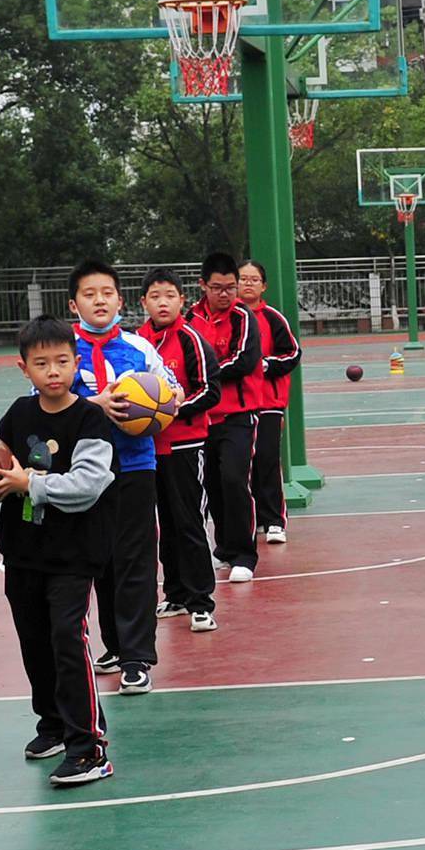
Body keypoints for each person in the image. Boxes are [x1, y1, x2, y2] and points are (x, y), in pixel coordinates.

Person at [0, 317, 119, 786]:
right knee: (35, 643)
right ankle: (55, 725)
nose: (53, 371)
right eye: (41, 363)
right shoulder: (18, 415)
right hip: (23, 550)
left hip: (73, 554)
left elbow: (88, 485)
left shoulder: (90, 419)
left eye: (62, 361)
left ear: (75, 362)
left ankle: (89, 746)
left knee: (68, 639)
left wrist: (31, 483)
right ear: (24, 368)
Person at [68, 261, 165, 693]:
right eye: (89, 294)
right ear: (74, 303)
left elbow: (171, 388)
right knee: (99, 560)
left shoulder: (140, 348)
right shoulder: (62, 351)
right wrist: (94, 406)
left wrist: (167, 399)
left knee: (136, 560)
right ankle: (114, 641)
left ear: (120, 300)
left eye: (107, 292)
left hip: (135, 464)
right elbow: (44, 401)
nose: (99, 300)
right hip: (84, 469)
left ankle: (136, 656)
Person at [138, 273, 223, 633]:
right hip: (144, 448)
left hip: (185, 445)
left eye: (169, 296)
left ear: (181, 300)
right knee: (162, 525)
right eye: (155, 296)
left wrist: (172, 410)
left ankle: (201, 601)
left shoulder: (192, 340)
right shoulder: (136, 343)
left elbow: (210, 391)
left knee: (188, 522)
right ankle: (174, 593)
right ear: (142, 302)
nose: (162, 302)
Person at [188, 252, 266, 584]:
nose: (225, 294)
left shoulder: (243, 318)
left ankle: (245, 554)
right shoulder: (189, 319)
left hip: (239, 414)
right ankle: (224, 547)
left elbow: (245, 361)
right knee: (212, 485)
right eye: (217, 287)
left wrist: (206, 372)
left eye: (230, 287)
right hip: (203, 416)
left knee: (235, 479)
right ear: (202, 285)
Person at [236, 259, 302, 547]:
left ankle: (274, 520)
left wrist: (266, 365)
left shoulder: (273, 318)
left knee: (266, 458)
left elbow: (292, 354)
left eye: (254, 279)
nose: (248, 283)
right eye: (242, 278)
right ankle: (255, 520)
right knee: (240, 464)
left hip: (268, 402)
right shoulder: (227, 318)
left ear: (264, 286)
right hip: (237, 404)